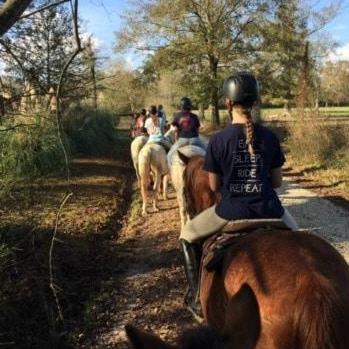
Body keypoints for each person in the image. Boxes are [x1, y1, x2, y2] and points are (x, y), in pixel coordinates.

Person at [179, 72, 298, 318]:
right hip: (271, 210)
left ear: (228, 103)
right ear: (254, 102)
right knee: (299, 242)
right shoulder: (270, 137)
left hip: (230, 212)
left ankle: (195, 298)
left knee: (188, 234)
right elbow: (276, 182)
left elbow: (213, 186)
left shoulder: (218, 140)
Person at [167, 97, 206, 166]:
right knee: (208, 152)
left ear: (181, 106)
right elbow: (197, 130)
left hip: (182, 140)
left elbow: (174, 128)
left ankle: (170, 172)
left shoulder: (177, 116)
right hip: (195, 139)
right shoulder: (195, 116)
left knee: (169, 155)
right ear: (190, 106)